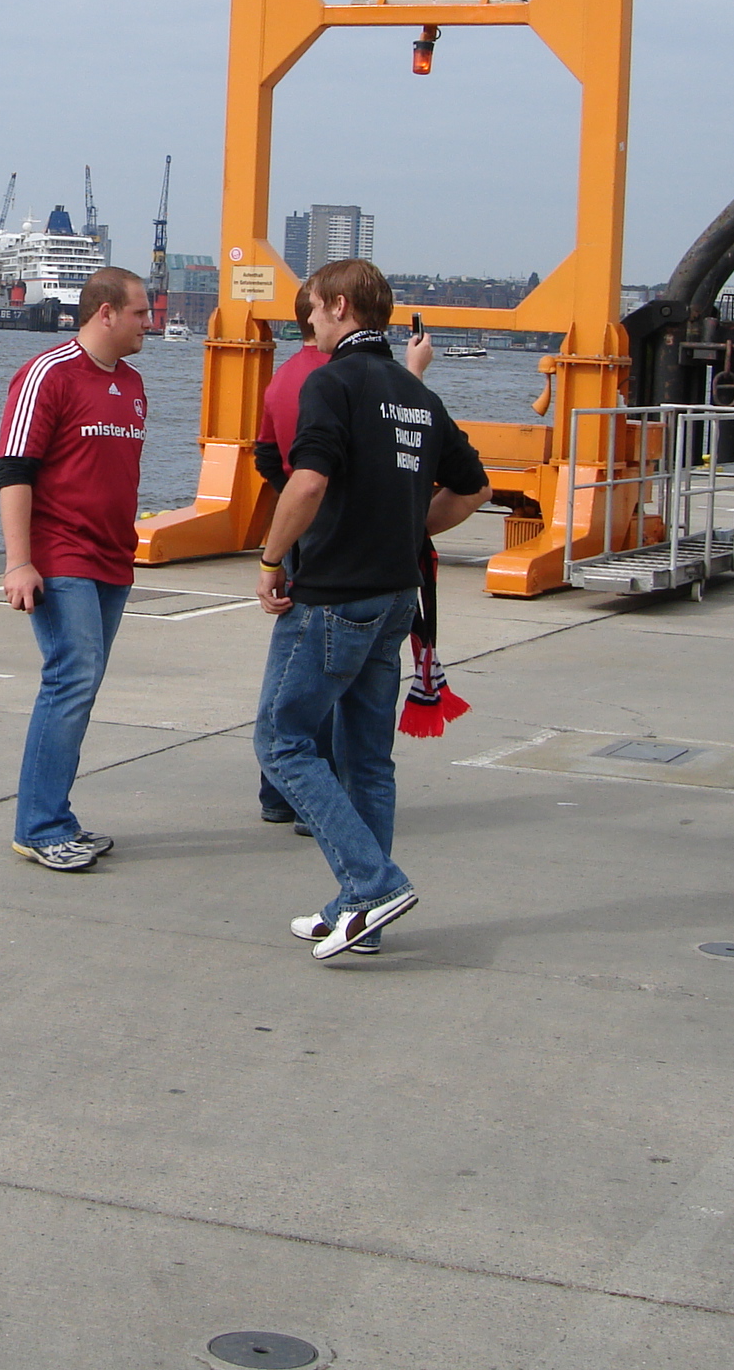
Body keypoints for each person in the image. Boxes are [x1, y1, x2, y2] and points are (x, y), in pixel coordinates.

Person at [253, 258, 489, 961]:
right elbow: (473, 489)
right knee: (367, 759)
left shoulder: (332, 383)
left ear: (339, 307)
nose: (308, 324)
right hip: (395, 598)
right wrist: (409, 529)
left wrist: (270, 560)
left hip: (334, 596)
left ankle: (372, 882)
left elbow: (306, 483)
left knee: (282, 740)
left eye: (311, 311)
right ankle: (362, 915)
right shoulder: (415, 392)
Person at [250, 279, 434, 828]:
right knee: (361, 742)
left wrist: (278, 546)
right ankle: (358, 851)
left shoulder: (288, 378)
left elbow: (271, 459)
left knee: (293, 707)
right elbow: (403, 453)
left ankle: (283, 799)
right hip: (379, 569)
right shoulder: (368, 382)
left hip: (312, 544)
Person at [0, 265, 151, 871]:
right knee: (71, 676)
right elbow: (15, 469)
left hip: (114, 558)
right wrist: (19, 562)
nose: (149, 323)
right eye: (140, 313)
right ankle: (39, 826)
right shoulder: (48, 374)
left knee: (83, 684)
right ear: (105, 312)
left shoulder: (133, 384)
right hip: (61, 555)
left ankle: (55, 814)